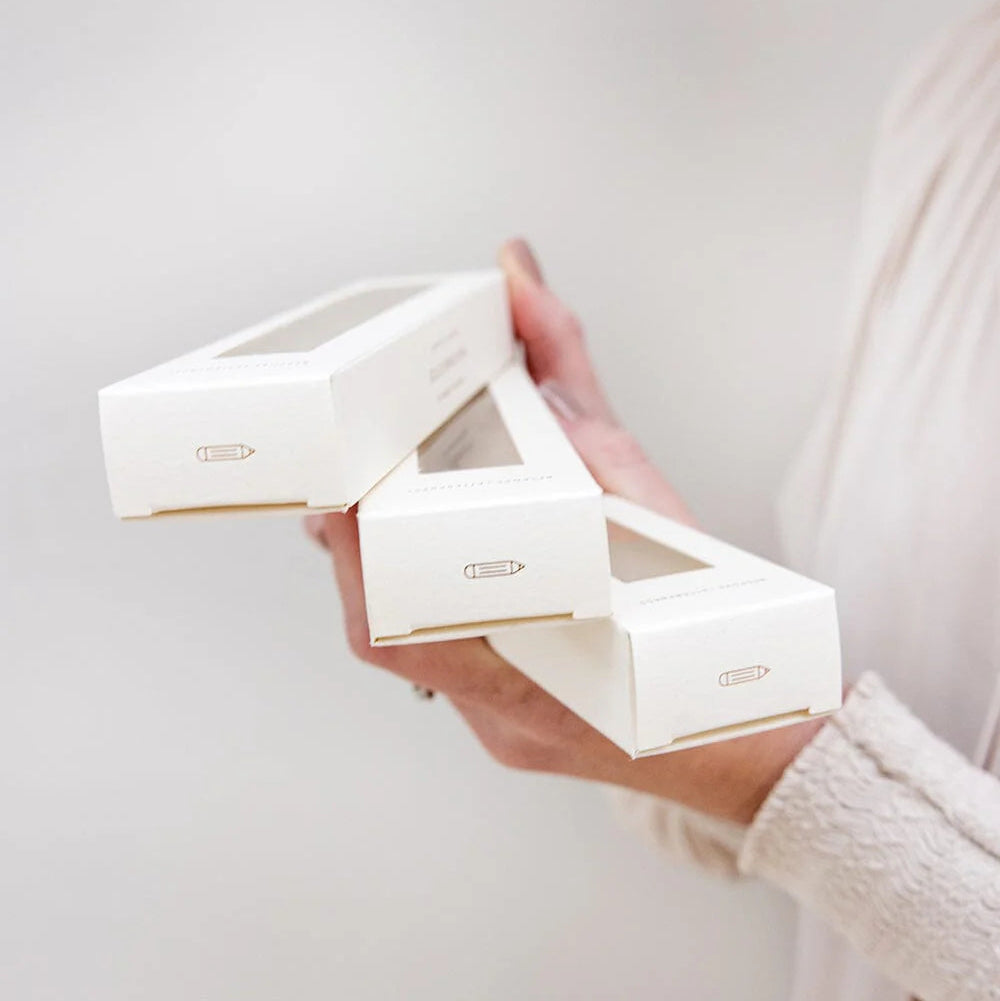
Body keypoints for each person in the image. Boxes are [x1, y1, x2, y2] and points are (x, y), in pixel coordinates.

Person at [305, 8, 1000, 998]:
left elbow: (838, 791)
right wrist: (639, 602)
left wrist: (770, 763)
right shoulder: (962, 92)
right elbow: (910, 747)